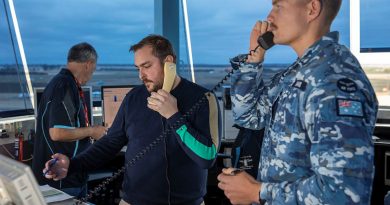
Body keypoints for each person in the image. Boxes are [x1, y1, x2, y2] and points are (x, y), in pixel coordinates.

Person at [217, 0, 378, 204]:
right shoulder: (298, 73)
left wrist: (257, 192)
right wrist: (254, 59)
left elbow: (343, 193)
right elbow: (249, 116)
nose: (269, 16)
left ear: (312, 9)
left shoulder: (333, 82)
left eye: (278, 6)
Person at [43, 35, 221, 205]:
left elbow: (207, 158)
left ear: (169, 63)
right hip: (133, 200)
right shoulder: (134, 98)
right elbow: (110, 143)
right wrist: (72, 165)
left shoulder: (202, 99)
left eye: (147, 66)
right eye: (138, 68)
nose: (141, 75)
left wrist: (173, 116)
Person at [32, 42, 107, 197]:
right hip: (62, 181)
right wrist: (93, 131)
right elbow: (57, 133)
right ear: (88, 64)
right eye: (92, 71)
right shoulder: (64, 86)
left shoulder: (66, 84)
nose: (91, 75)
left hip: (68, 176)